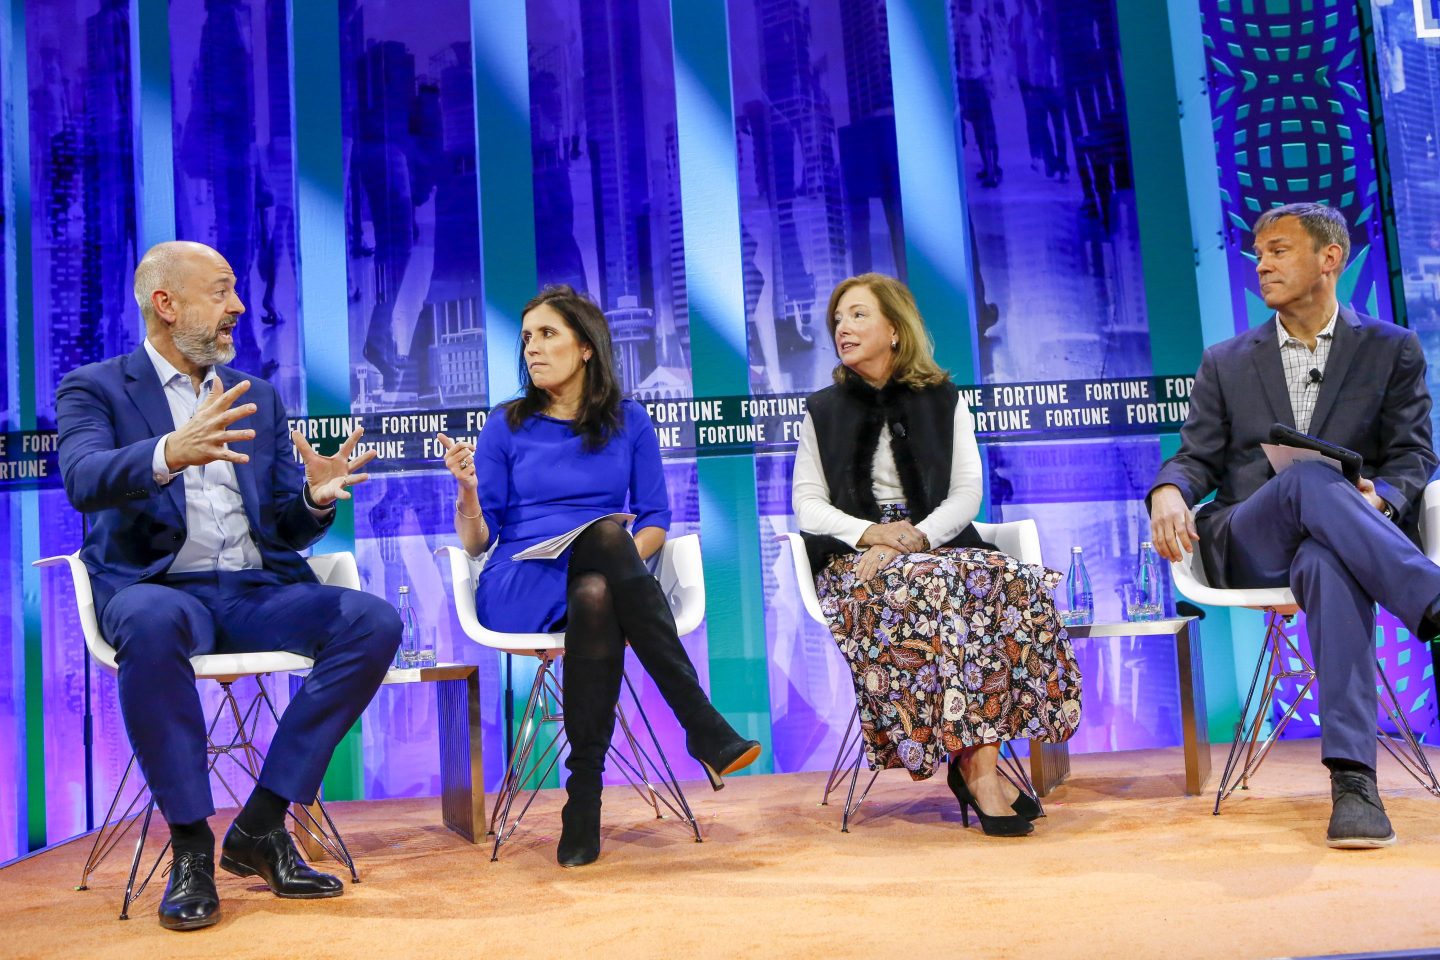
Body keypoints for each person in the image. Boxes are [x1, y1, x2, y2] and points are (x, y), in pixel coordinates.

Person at [56, 241, 401, 930]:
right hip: (161, 590)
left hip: (251, 589)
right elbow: (82, 479)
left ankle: (263, 824)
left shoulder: (256, 396)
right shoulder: (94, 388)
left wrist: (315, 498)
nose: (238, 306)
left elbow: (283, 527)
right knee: (151, 622)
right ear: (166, 304)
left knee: (373, 622)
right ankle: (190, 845)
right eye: (221, 291)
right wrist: (166, 453)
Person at [1149, 202, 1440, 849]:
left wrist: (1380, 502)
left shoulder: (1391, 349)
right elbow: (1196, 454)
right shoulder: (1227, 360)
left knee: (1330, 562)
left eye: (1279, 249)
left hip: (1341, 542)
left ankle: (1354, 783)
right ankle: (1431, 600)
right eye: (1258, 252)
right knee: (1308, 479)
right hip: (1250, 539)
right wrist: (1169, 488)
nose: (1262, 263)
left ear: (1329, 259)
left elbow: (1414, 458)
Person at [439, 284, 761, 867]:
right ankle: (700, 722)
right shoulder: (505, 425)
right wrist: (466, 494)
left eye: (547, 334)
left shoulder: (629, 422)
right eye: (527, 338)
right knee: (608, 538)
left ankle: (582, 800)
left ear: (586, 347)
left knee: (597, 582)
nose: (532, 349)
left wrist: (616, 560)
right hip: (518, 580)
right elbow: (479, 540)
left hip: (597, 577)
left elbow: (657, 519)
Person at [792, 273, 1082, 837]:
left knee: (1007, 579)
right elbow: (807, 506)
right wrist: (873, 534)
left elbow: (967, 493)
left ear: (895, 331)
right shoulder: (822, 409)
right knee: (942, 586)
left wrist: (916, 536)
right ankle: (981, 776)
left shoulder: (943, 398)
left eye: (856, 316)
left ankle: (979, 764)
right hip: (859, 563)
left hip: (935, 545)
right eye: (837, 320)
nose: (841, 329)